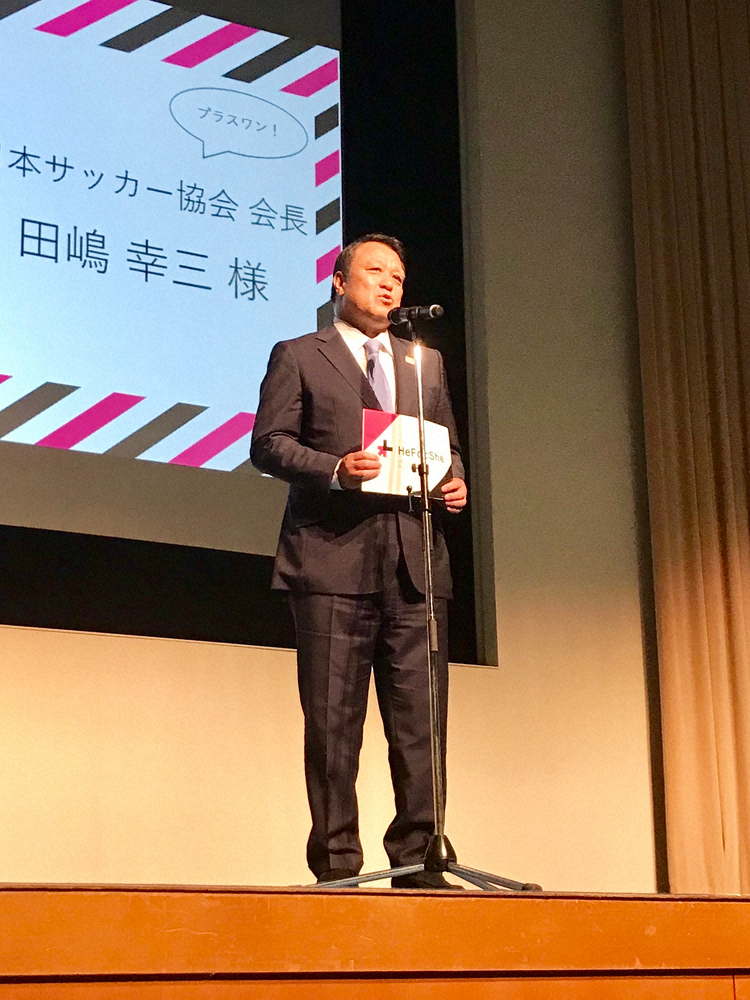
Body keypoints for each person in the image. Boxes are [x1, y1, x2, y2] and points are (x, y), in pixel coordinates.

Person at [250, 234, 467, 889]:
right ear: (340, 282)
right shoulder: (299, 355)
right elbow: (269, 444)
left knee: (421, 727)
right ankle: (338, 866)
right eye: (375, 271)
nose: (390, 283)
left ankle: (420, 861)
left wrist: (455, 480)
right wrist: (336, 468)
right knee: (333, 728)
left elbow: (446, 446)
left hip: (414, 567)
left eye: (398, 275)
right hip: (330, 562)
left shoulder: (424, 363)